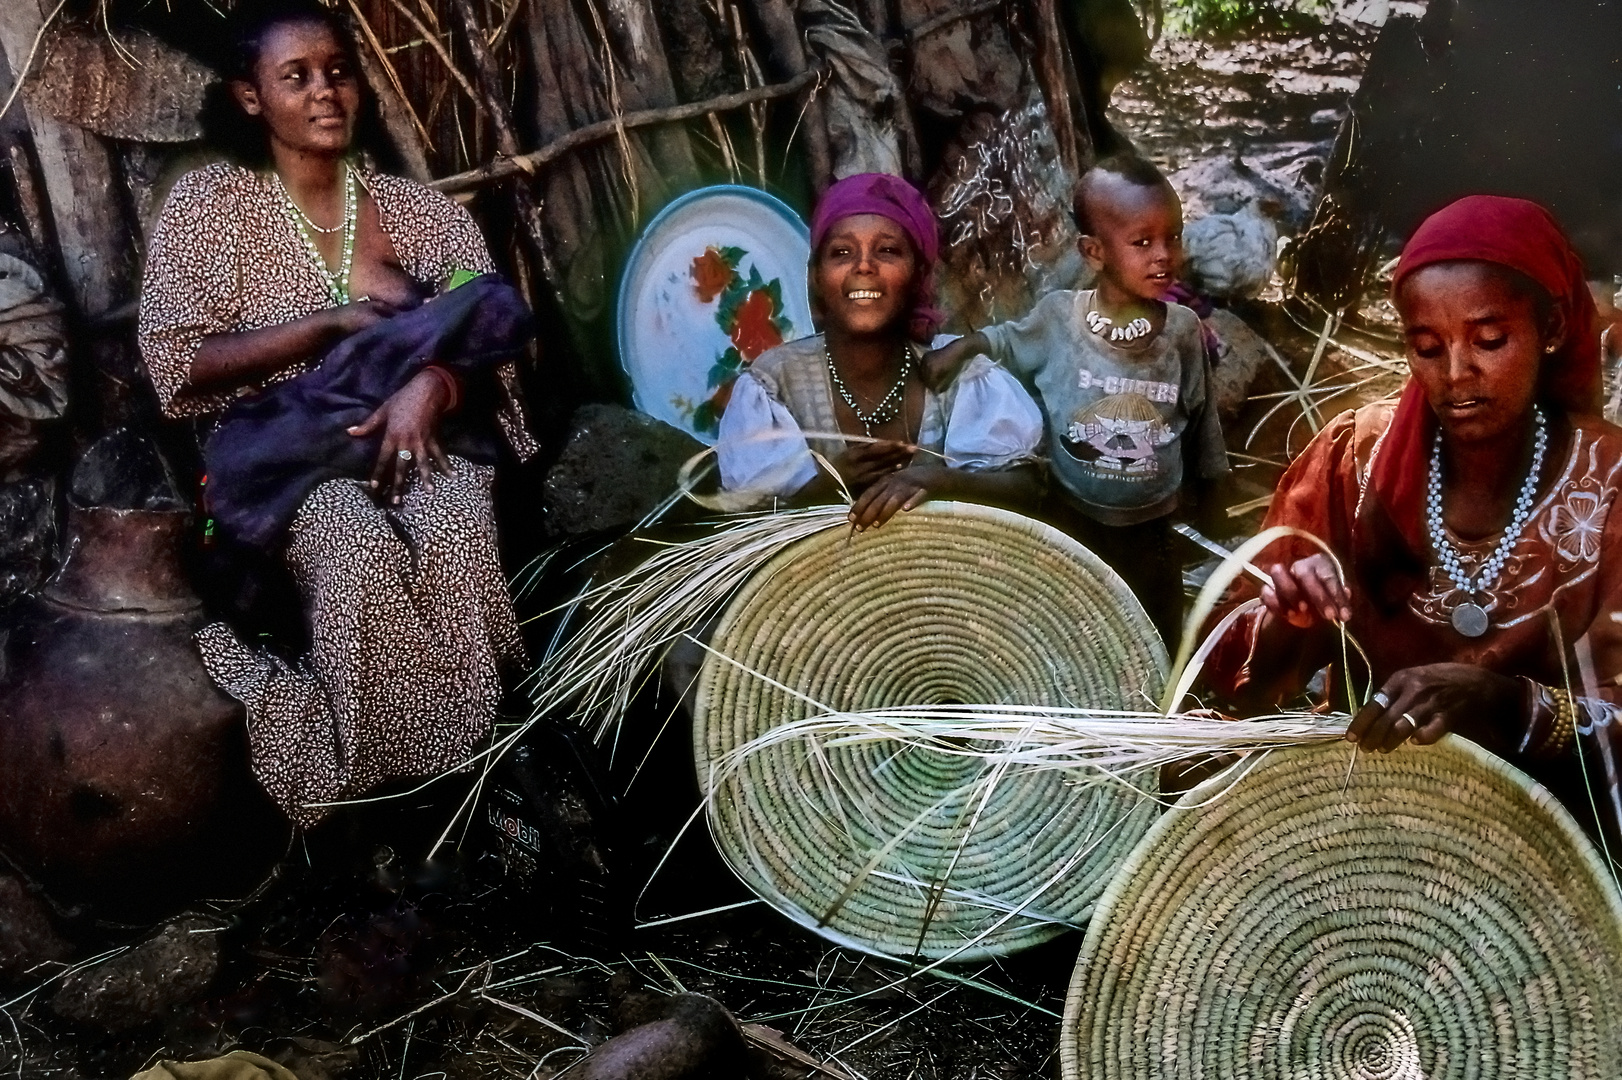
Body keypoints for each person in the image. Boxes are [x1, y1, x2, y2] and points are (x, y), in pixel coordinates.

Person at [138, 0, 535, 828]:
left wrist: (433, 388)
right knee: (350, 541)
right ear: (251, 97)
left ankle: (469, 776)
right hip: (289, 467)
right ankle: (394, 802)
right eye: (296, 77)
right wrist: (325, 324)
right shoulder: (212, 209)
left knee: (455, 520)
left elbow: (486, 321)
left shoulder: (421, 214)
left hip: (417, 438)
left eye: (338, 71)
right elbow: (178, 364)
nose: (326, 92)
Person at [1204, 194, 1622, 845]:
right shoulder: (1354, 459)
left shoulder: (1610, 484)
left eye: (1489, 340)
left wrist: (1500, 699)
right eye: (1426, 347)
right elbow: (1237, 683)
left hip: (1542, 834)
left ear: (1553, 326)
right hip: (1363, 802)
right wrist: (1289, 616)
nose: (1457, 375)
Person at [923, 153, 1228, 643]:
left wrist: (1213, 497)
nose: (1164, 255)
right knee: (1071, 628)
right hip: (1071, 516)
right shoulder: (1059, 319)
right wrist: (963, 347)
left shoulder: (1183, 331)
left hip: (1153, 528)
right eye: (1143, 242)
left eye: (1173, 237)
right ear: (1093, 253)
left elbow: (1201, 419)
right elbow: (1007, 338)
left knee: (1156, 634)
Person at [715, 172, 1043, 530]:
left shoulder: (958, 370)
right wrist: (827, 485)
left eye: (887, 250)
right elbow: (748, 523)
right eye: (841, 252)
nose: (864, 266)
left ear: (918, 273)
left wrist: (940, 481)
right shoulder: (774, 385)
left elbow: (1030, 489)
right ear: (816, 277)